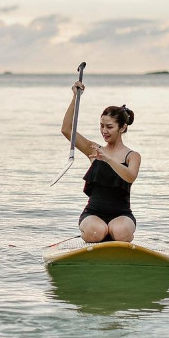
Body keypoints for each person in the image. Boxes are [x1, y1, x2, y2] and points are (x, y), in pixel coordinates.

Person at [61, 81, 140, 243]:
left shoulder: (132, 156)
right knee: (97, 232)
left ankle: (116, 237)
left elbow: (130, 176)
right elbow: (67, 130)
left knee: (119, 233)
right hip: (93, 214)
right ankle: (94, 235)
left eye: (109, 127)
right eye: (101, 126)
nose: (104, 131)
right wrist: (75, 98)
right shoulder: (94, 150)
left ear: (123, 128)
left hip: (122, 214)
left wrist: (108, 159)